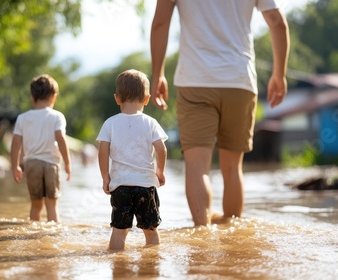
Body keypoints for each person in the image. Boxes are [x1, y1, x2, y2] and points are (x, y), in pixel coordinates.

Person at [150, 0, 289, 225]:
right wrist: (279, 74)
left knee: (197, 167)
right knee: (233, 168)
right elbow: (277, 23)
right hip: (240, 81)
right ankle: (231, 236)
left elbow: (160, 23)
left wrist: (158, 74)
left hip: (195, 80)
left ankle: (201, 235)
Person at [97, 69, 168, 250]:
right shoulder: (150, 122)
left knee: (119, 231)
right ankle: (151, 267)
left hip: (121, 186)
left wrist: (105, 176)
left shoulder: (110, 123)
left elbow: (102, 152)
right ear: (146, 99)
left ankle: (117, 267)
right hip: (145, 184)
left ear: (117, 98)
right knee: (151, 230)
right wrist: (160, 171)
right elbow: (161, 149)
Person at [10, 74, 72, 222]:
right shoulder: (57, 116)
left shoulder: (22, 118)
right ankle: (52, 237)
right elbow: (61, 139)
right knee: (52, 206)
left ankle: (33, 236)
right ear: (53, 97)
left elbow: (15, 143)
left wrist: (15, 167)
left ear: (32, 97)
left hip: (31, 164)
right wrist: (68, 163)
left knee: (35, 206)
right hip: (51, 164)